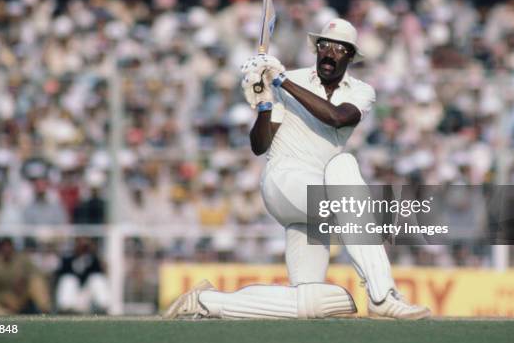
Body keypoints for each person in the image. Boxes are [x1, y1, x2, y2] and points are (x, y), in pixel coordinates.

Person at [165, 18, 430, 320]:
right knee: (344, 167)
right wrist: (264, 105)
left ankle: (206, 302)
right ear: (316, 49)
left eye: (339, 49)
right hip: (284, 181)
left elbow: (337, 117)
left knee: (311, 303)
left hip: (316, 201)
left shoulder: (361, 91)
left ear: (351, 56)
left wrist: (280, 83)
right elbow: (259, 145)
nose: (329, 53)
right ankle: (382, 294)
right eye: (324, 45)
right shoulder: (290, 79)